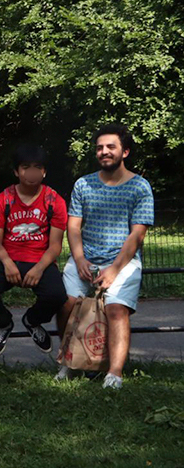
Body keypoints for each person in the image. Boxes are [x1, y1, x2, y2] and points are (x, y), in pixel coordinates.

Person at [61, 125, 154, 389]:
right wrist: (79, 259)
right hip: (86, 256)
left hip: (121, 260)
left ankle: (114, 373)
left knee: (116, 310)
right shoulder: (83, 183)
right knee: (66, 305)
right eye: (100, 147)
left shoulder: (140, 187)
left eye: (111, 147)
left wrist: (114, 269)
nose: (104, 152)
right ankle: (69, 362)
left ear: (125, 151)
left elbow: (137, 235)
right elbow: (74, 226)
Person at [0, 145, 69, 360]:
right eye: (26, 167)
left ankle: (33, 320)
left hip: (40, 259)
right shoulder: (3, 199)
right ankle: (3, 323)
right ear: (17, 171)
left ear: (44, 172)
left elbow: (55, 245)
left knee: (57, 296)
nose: (31, 172)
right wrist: (8, 263)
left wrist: (38, 268)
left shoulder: (55, 201)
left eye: (37, 167)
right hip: (7, 257)